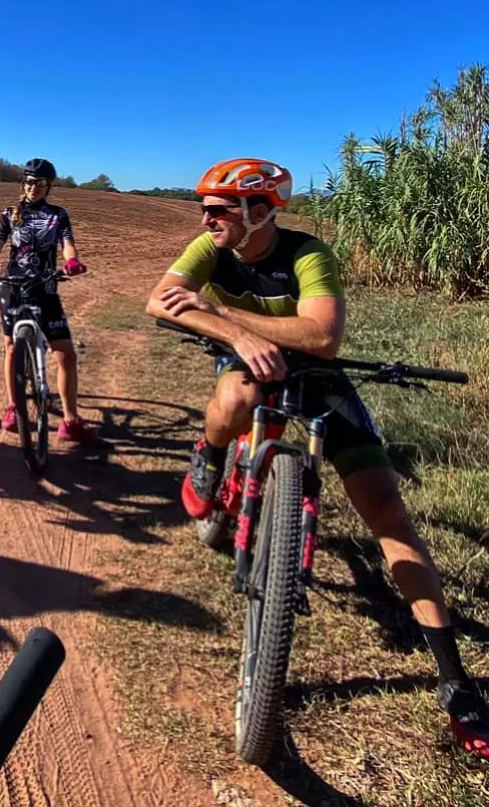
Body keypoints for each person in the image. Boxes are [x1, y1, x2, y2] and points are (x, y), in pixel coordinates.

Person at [145, 156, 489, 755]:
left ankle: (454, 682)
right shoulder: (207, 247)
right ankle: (210, 454)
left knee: (386, 510)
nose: (206, 219)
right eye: (205, 208)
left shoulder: (308, 255)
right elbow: (161, 299)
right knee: (234, 389)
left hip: (321, 376)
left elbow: (322, 337)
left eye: (218, 209)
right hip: (246, 362)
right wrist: (242, 337)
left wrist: (224, 312)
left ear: (258, 213)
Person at [0, 158, 110, 449]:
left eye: (41, 183)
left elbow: (67, 242)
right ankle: (14, 407)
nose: (34, 187)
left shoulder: (58, 215)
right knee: (10, 347)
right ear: (23, 184)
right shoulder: (9, 213)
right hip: (13, 287)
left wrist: (71, 260)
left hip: (45, 287)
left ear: (48, 187)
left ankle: (70, 421)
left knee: (64, 354)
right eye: (30, 182)